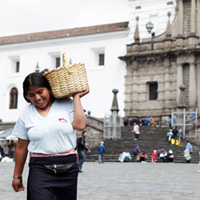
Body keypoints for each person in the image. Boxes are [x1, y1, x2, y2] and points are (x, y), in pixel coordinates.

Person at [11, 72, 89, 199]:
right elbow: (21, 147)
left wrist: (77, 97)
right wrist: (17, 176)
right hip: (40, 169)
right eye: (31, 95)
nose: (37, 97)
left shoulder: (66, 104)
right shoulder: (26, 114)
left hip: (68, 169)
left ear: (49, 88)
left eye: (40, 91)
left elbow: (80, 125)